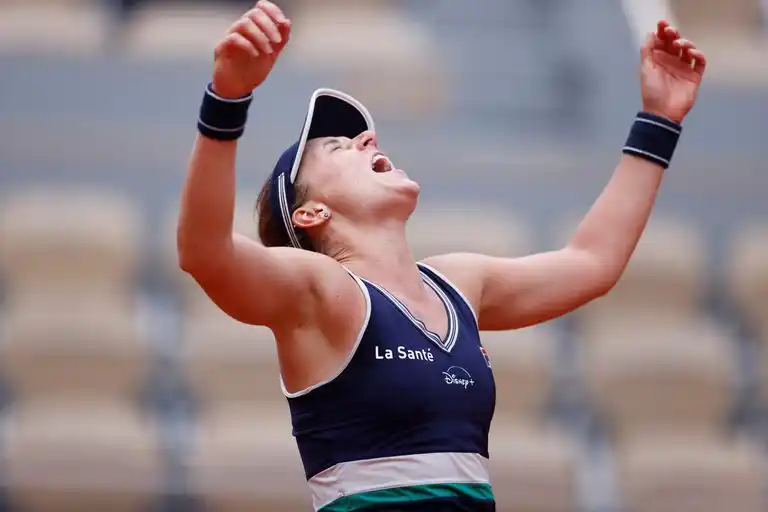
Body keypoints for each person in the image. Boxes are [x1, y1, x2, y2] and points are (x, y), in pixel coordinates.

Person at [177, 2, 707, 510]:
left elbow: (592, 262)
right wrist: (227, 98)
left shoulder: (458, 283)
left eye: (360, 137)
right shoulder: (322, 291)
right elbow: (205, 252)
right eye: (339, 147)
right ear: (311, 213)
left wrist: (659, 119)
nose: (367, 138)